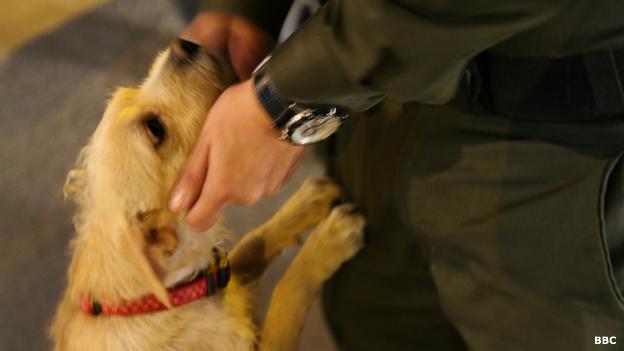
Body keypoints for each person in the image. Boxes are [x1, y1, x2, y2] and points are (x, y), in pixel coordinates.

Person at [169, 1, 624, 350]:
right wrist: (252, 9)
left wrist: (289, 98)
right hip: (383, 108)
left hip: (563, 156)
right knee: (376, 318)